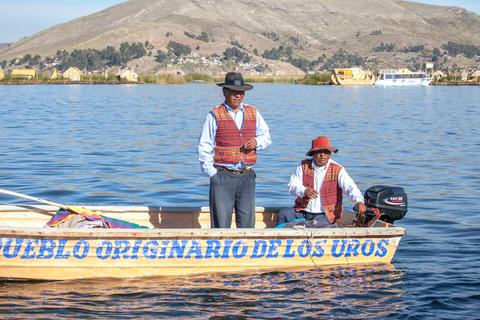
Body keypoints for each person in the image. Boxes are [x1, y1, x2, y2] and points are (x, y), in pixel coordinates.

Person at [198, 72, 271, 228]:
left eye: (241, 92)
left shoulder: (254, 112)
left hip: (247, 176)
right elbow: (205, 145)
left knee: (247, 224)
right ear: (225, 92)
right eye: (233, 92)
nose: (238, 96)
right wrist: (213, 174)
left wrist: (257, 142)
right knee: (221, 225)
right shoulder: (214, 114)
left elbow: (266, 136)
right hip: (223, 175)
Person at [277, 136, 366, 227]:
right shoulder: (302, 166)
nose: (322, 155)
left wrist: (358, 201)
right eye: (319, 152)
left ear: (329, 153)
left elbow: (351, 188)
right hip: (302, 210)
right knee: (283, 214)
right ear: (313, 154)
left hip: (325, 215)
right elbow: (292, 186)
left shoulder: (337, 169)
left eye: (326, 152)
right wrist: (304, 190)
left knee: (316, 225)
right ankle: (280, 239)